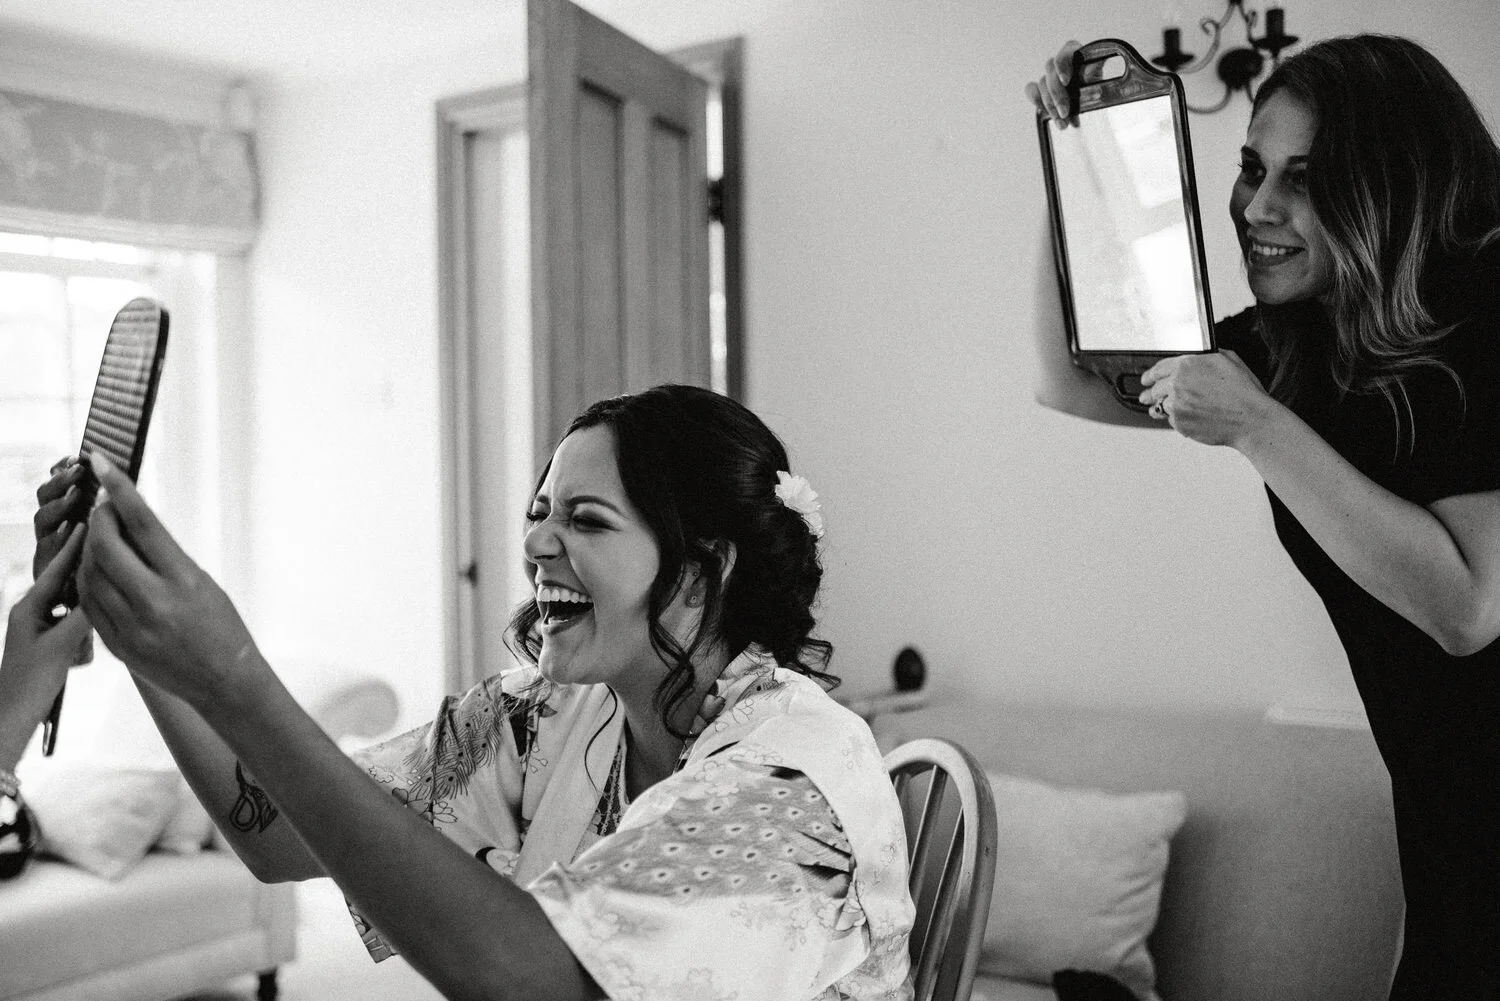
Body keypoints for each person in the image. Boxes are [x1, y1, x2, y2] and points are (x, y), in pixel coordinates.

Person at [15, 384, 915, 1001]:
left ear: (699, 572)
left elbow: (529, 979)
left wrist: (236, 676)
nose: (539, 546)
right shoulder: (550, 715)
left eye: (587, 520)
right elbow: (269, 827)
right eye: (541, 513)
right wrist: (142, 632)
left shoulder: (791, 784)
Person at [1028, 34, 1500, 999]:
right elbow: (1072, 382)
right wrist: (1071, 163)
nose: (1257, 207)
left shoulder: (1484, 313)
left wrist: (1253, 423)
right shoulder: (1291, 344)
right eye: (1251, 168)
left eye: (1305, 178)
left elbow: (1468, 607)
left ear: (1391, 188)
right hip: (1448, 821)